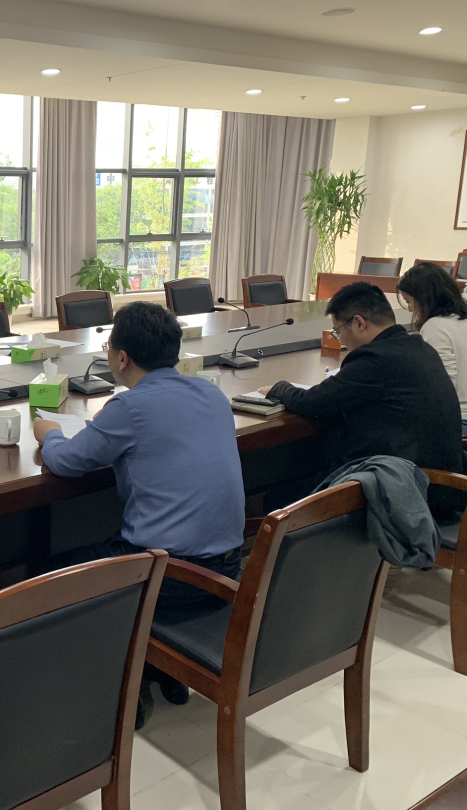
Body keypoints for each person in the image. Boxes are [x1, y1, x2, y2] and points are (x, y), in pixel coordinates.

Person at [33, 302, 245, 721]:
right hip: (228, 569)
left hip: (169, 578)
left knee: (45, 572)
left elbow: (67, 463)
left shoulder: (129, 408)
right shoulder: (212, 393)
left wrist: (50, 433)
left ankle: (111, 688)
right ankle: (159, 668)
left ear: (122, 358)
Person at [258, 281, 463, 514]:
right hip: (438, 486)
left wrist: (279, 387)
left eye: (338, 331)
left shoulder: (374, 360)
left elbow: (310, 402)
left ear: (359, 323)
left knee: (276, 500)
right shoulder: (419, 347)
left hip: (406, 494)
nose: (341, 340)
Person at [397, 263, 467, 436]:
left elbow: (442, 386)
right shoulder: (461, 318)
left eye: (409, 302)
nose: (410, 309)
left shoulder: (435, 326)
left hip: (458, 419)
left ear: (425, 298)